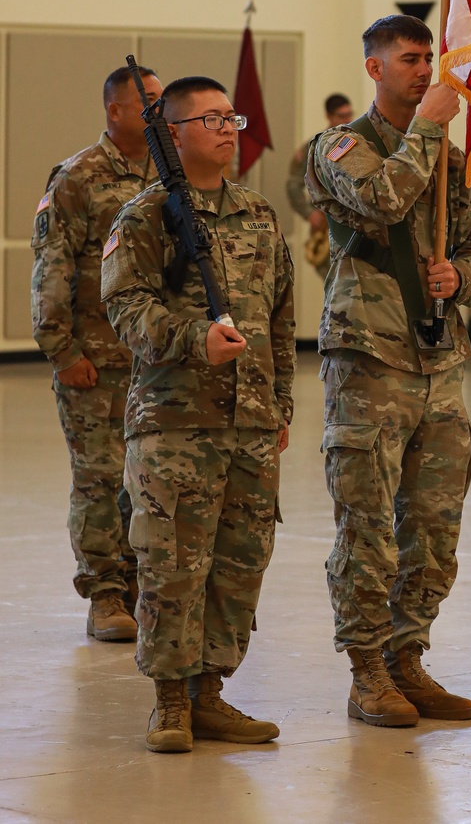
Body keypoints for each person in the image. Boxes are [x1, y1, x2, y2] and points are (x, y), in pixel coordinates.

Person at [306, 15, 471, 729]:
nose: (425, 72)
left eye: (429, 60)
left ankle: (408, 656)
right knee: (368, 528)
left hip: (440, 361)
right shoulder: (341, 145)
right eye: (410, 60)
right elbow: (380, 198)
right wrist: (429, 131)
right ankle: (366, 671)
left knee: (435, 528)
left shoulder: (448, 158)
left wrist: (461, 275)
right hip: (371, 357)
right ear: (374, 69)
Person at [102, 76, 294, 754]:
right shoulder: (144, 216)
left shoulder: (259, 214)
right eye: (210, 118)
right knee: (173, 565)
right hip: (175, 421)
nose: (227, 127)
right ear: (172, 134)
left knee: (240, 563)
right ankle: (169, 703)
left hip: (250, 421)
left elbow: (280, 317)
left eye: (231, 116)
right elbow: (126, 307)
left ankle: (210, 694)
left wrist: (282, 404)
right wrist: (193, 339)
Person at [30, 63, 162, 642]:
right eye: (148, 102)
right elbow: (51, 268)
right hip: (95, 360)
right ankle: (105, 592)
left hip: (155, 361)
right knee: (99, 479)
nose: (160, 111)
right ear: (115, 111)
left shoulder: (171, 173)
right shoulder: (78, 177)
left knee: (148, 479)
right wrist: (61, 350)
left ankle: (138, 584)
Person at [287, 93, 354, 277]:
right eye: (342, 116)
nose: (348, 120)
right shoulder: (312, 147)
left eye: (350, 114)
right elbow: (293, 185)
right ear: (329, 116)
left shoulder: (357, 144)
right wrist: (310, 214)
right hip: (326, 226)